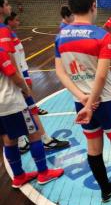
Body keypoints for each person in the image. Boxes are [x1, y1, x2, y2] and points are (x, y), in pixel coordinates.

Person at [55, 0, 111, 202]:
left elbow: (61, 72)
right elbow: (100, 75)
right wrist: (92, 103)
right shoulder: (101, 36)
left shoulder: (60, 37)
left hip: (80, 100)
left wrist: (82, 99)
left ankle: (105, 189)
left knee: (93, 146)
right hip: (106, 100)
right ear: (93, 6)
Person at [0, 0, 64, 188]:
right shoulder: (2, 34)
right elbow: (10, 68)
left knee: (8, 139)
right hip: (10, 98)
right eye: (7, 3)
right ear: (1, 8)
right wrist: (25, 88)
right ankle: (43, 173)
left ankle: (19, 176)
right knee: (35, 134)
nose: (9, 6)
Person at [5, 12, 70, 153]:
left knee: (24, 110)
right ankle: (40, 140)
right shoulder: (4, 36)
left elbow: (18, 61)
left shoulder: (11, 35)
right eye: (15, 20)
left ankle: (25, 141)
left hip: (22, 74)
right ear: (8, 21)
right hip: (16, 80)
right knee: (23, 111)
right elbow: (11, 65)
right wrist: (22, 82)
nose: (18, 21)